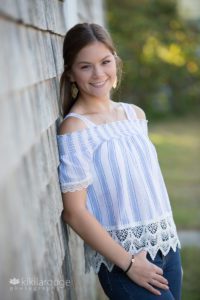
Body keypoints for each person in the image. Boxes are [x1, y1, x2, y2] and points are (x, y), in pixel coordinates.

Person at [56, 22, 182, 300]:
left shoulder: (134, 115)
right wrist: (129, 263)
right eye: (85, 66)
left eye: (105, 61)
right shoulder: (76, 129)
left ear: (116, 61)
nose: (98, 73)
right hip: (123, 262)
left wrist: (168, 243)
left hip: (167, 246)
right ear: (72, 74)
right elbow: (74, 212)